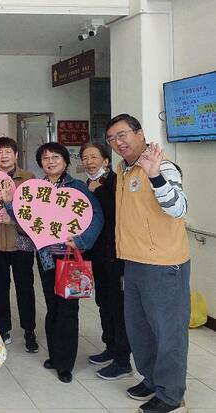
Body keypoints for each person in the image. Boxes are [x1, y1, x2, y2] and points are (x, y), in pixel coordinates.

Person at [106, 114, 190, 412]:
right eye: (112, 138)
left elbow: (179, 207)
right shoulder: (123, 169)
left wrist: (155, 175)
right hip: (134, 260)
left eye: (123, 134)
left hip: (164, 263)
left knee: (168, 332)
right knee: (139, 328)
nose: (118, 142)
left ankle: (171, 395)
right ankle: (152, 380)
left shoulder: (162, 166)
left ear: (140, 133)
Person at [3, 142, 102, 383]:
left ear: (66, 161)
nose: (50, 161)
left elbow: (96, 217)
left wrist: (81, 241)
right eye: (45, 158)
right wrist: (9, 203)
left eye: (55, 157)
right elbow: (25, 218)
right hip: (47, 258)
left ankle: (65, 364)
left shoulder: (78, 188)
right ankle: (56, 355)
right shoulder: (37, 188)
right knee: (53, 307)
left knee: (68, 310)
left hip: (70, 258)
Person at [79, 142, 132, 380]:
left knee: (117, 306)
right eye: (85, 157)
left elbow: (115, 214)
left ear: (106, 160)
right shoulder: (86, 184)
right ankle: (110, 347)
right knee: (103, 302)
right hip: (97, 255)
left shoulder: (114, 182)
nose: (89, 161)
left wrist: (96, 191)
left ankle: (123, 360)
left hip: (115, 255)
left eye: (94, 157)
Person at [0, 137, 39, 352]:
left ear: (15, 155)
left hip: (21, 242)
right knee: (0, 287)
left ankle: (29, 331)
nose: (3, 156)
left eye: (8, 152)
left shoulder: (28, 178)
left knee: (25, 288)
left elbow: (34, 211)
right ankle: (2, 328)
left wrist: (14, 219)